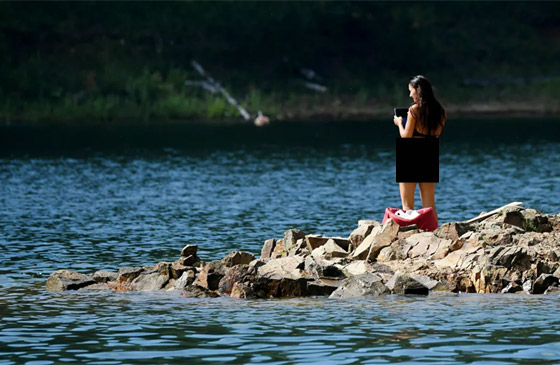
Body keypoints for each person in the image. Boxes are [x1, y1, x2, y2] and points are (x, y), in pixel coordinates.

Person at [393, 75, 446, 225]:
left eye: (411, 91)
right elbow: (436, 134)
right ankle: (436, 233)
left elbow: (406, 136)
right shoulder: (441, 111)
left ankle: (409, 238)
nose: (410, 95)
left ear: (419, 90)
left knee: (407, 206)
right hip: (429, 152)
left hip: (410, 153)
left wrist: (399, 123)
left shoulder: (414, 110)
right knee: (430, 205)